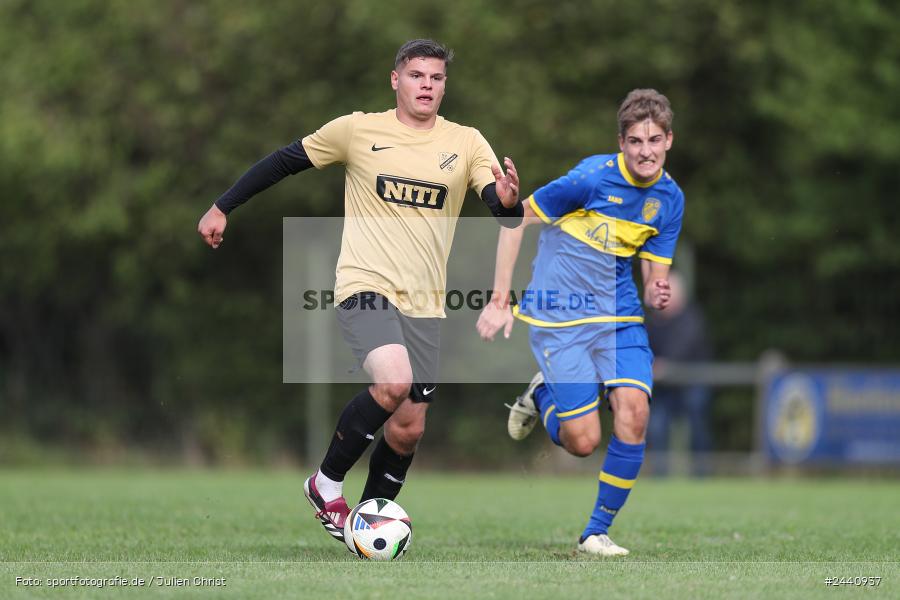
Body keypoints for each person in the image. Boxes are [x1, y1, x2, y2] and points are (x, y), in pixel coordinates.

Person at [198, 39, 522, 545]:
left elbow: (501, 209)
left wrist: (506, 200)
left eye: (436, 78)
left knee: (408, 428)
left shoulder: (466, 141)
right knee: (394, 382)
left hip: (426, 305)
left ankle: (367, 526)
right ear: (396, 79)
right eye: (417, 75)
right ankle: (324, 482)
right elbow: (284, 161)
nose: (427, 86)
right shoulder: (358, 130)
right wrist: (223, 206)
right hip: (363, 285)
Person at [477, 89, 683, 556]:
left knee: (635, 410)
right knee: (583, 441)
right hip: (560, 320)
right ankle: (541, 394)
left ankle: (596, 532)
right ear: (621, 142)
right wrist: (499, 299)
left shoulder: (670, 199)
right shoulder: (589, 180)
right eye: (635, 141)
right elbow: (513, 220)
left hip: (619, 317)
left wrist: (657, 290)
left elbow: (655, 275)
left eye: (654, 140)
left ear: (668, 140)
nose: (645, 150)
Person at [645, 270, 713, 476]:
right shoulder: (652, 321)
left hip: (693, 385)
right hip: (664, 389)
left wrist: (666, 364)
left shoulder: (692, 318)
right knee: (656, 425)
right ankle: (659, 476)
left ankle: (701, 474)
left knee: (697, 423)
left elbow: (683, 346)